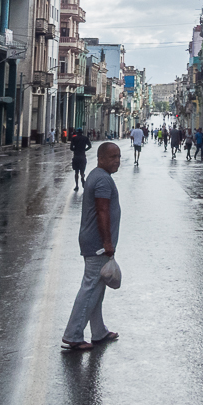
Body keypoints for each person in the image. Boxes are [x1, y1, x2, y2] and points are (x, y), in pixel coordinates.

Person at [62, 141, 123, 350]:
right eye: (112, 157)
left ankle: (98, 332)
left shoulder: (99, 176)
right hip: (97, 243)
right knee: (90, 287)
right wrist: (107, 242)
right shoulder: (103, 181)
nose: (117, 161)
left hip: (95, 242)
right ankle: (73, 335)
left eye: (119, 157)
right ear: (101, 159)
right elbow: (102, 211)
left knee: (97, 286)